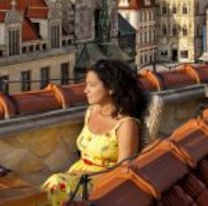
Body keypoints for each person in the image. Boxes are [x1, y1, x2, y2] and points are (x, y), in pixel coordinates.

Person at [42, 59, 147, 206]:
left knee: (56, 183)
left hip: (102, 182)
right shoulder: (91, 112)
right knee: (44, 192)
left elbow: (124, 170)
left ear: (111, 88)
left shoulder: (126, 125)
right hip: (77, 175)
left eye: (91, 85)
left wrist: (88, 176)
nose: (85, 90)